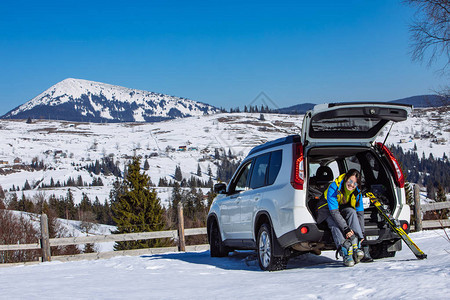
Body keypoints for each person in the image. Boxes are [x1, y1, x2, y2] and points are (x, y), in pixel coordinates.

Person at [316, 169, 371, 266]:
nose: (352, 185)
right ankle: (345, 251)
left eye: (355, 183)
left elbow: (360, 213)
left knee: (351, 212)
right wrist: (346, 229)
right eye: (350, 181)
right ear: (346, 178)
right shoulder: (334, 187)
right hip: (325, 209)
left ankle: (356, 245)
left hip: (340, 208)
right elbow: (334, 213)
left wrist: (362, 234)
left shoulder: (357, 191)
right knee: (334, 224)